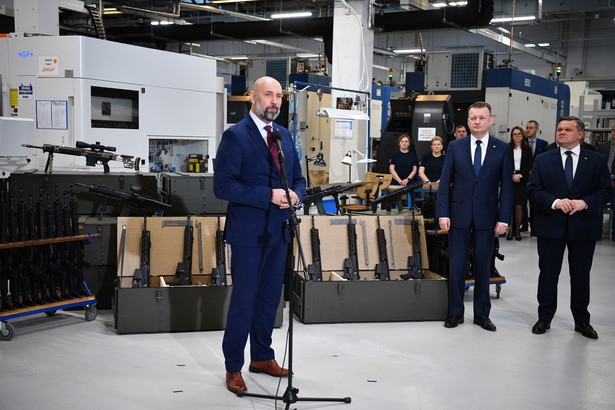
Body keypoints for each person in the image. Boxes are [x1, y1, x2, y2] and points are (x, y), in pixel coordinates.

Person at [213, 76, 306, 393]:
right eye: (269, 94)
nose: (275, 101)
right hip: (248, 234)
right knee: (244, 300)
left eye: (279, 96)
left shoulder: (283, 135)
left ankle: (262, 357)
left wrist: (296, 195)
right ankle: (233, 367)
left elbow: (299, 179)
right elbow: (223, 186)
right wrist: (267, 194)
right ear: (253, 97)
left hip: (278, 231)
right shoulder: (235, 136)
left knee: (270, 299)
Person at [527, 116, 612, 339]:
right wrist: (555, 202)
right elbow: (533, 189)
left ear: (580, 134)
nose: (561, 133)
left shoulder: (596, 160)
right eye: (559, 129)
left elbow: (605, 191)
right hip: (550, 225)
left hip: (583, 226)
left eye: (567, 129)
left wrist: (585, 202)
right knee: (548, 275)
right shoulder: (543, 160)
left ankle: (582, 321)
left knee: (581, 275)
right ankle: (544, 318)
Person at [437, 101, 513, 331]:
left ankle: (482, 314)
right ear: (468, 121)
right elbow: (445, 184)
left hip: (487, 218)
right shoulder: (455, 147)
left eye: (482, 118)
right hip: (458, 216)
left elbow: (507, 187)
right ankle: (455, 312)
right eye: (473, 118)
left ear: (491, 120)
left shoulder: (502, 149)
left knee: (482, 267)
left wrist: (504, 218)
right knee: (457, 267)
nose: (477, 122)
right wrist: (443, 213)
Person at [507, 126, 533, 241]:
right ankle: (510, 230)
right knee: (510, 205)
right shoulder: (507, 148)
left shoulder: (527, 148)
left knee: (519, 206)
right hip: (509, 179)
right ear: (512, 136)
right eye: (514, 134)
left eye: (519, 134)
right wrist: (511, 175)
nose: (517, 136)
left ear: (523, 136)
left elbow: (530, 164)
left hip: (522, 179)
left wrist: (520, 175)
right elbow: (505, 163)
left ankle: (517, 230)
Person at [597, 125, 615, 240]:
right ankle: (597, 232)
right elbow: (596, 163)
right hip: (601, 182)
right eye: (613, 130)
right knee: (597, 207)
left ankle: (614, 234)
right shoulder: (603, 146)